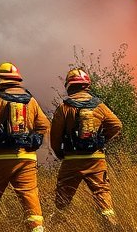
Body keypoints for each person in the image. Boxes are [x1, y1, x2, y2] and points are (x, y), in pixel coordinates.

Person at [0, 63, 50, 232]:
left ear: (0, 80)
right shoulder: (31, 101)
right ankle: (37, 229)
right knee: (30, 196)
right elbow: (44, 125)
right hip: (26, 158)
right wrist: (34, 140)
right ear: (17, 80)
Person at [49, 68, 122, 228]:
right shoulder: (99, 105)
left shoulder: (64, 107)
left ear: (69, 85)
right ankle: (111, 224)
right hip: (96, 160)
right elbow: (116, 125)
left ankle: (56, 227)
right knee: (103, 195)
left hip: (72, 160)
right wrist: (102, 141)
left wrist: (60, 153)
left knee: (62, 200)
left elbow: (54, 136)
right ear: (86, 85)